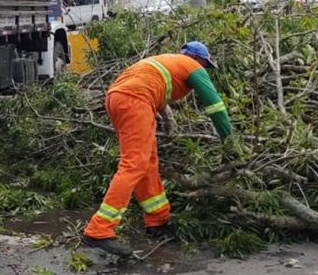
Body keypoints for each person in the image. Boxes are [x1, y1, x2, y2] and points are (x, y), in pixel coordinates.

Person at [80, 41, 246, 257]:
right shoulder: (192, 66)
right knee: (134, 164)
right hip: (135, 100)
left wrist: (169, 121)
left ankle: (158, 219)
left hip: (117, 98)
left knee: (147, 163)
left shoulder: (165, 61)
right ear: (198, 59)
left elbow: (156, 90)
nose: (205, 70)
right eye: (206, 64)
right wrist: (230, 142)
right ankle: (99, 229)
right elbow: (215, 106)